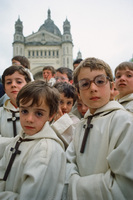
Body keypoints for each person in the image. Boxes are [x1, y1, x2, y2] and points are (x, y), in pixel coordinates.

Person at [63, 57, 133, 199]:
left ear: (112, 86)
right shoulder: (81, 125)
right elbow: (68, 163)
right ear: (78, 92)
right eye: (84, 84)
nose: (93, 88)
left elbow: (125, 185)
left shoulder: (125, 122)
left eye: (100, 81)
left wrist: (74, 185)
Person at [0, 80, 66, 200]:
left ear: (51, 115)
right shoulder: (19, 140)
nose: (29, 119)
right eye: (24, 111)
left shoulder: (46, 150)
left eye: (39, 113)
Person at [0, 65, 31, 158]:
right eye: (9, 82)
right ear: (4, 88)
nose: (13, 85)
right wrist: (18, 142)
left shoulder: (35, 112)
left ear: (28, 85)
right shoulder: (1, 113)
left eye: (19, 82)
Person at [51, 82, 80, 147]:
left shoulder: (75, 121)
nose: (64, 107)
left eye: (69, 103)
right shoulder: (47, 118)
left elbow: (72, 143)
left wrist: (61, 122)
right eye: (61, 102)